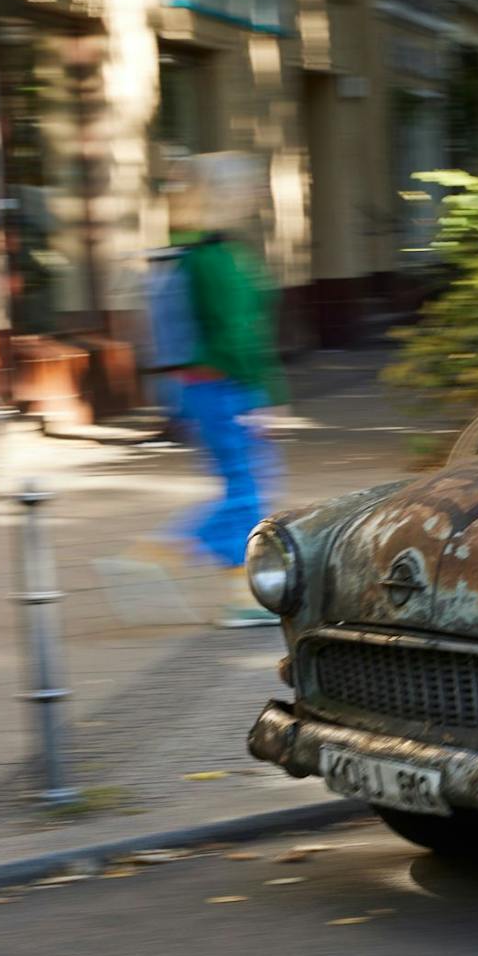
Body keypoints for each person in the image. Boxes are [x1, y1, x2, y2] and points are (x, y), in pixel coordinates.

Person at [164, 152, 287, 627]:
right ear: (222, 195)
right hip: (225, 386)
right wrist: (262, 393)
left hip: (212, 387)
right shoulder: (213, 258)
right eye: (245, 187)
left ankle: (237, 593)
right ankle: (164, 553)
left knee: (246, 487)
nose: (253, 195)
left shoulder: (207, 252)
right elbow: (236, 333)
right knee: (246, 490)